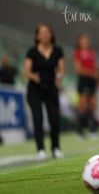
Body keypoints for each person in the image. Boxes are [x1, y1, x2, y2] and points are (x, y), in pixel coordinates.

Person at [23, 23, 65, 159]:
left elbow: (61, 69)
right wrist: (34, 76)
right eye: (42, 32)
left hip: (51, 88)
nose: (45, 35)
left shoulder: (58, 50)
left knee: (54, 119)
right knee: (38, 117)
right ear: (37, 36)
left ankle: (56, 147)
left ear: (51, 35)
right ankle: (40, 149)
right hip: (35, 89)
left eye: (47, 32)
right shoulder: (32, 51)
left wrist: (59, 78)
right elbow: (26, 71)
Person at [73, 33, 99, 139]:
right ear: (79, 42)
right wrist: (91, 73)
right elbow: (78, 69)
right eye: (83, 40)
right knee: (83, 106)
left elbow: (95, 67)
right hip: (83, 80)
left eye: (87, 40)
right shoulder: (78, 53)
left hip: (92, 81)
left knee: (93, 105)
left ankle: (92, 129)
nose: (86, 42)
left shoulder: (92, 53)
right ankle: (79, 131)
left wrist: (98, 80)